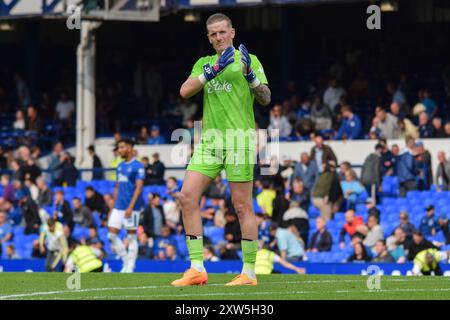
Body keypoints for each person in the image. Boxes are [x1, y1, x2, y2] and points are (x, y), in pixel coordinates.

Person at [172, 13, 271, 288]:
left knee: (242, 207)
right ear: (208, 37)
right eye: (213, 34)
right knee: (186, 196)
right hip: (210, 142)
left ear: (232, 32)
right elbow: (184, 91)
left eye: (222, 32)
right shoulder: (204, 63)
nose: (218, 37)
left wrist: (251, 77)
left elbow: (265, 97)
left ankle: (249, 273)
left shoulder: (248, 62)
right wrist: (211, 71)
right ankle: (196, 269)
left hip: (239, 140)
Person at [107, 139, 145, 273]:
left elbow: (139, 188)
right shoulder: (119, 166)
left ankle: (130, 266)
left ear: (129, 148)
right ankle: (125, 260)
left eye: (122, 147)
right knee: (111, 236)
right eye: (119, 147)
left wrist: (131, 207)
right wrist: (112, 207)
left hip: (132, 208)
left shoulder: (138, 166)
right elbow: (117, 187)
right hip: (118, 207)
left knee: (131, 237)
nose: (119, 150)